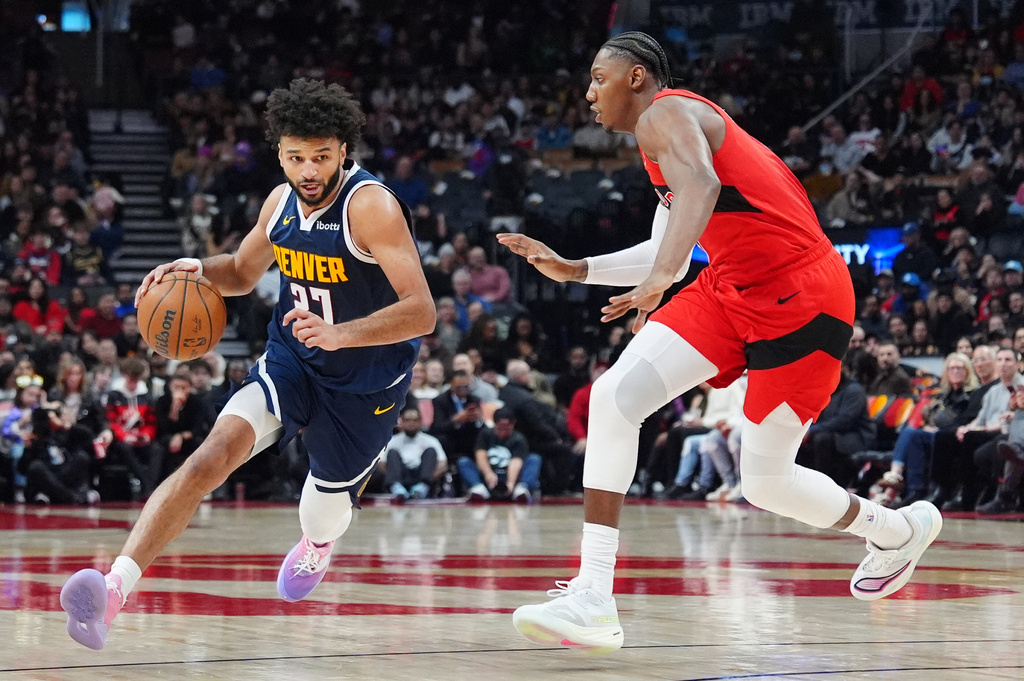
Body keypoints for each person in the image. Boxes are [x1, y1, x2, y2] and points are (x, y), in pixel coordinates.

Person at [498, 33, 942, 653]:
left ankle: (893, 530)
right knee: (614, 399)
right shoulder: (662, 145)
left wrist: (657, 280)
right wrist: (576, 269)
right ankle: (594, 594)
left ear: (636, 77)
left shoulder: (667, 112)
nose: (589, 93)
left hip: (803, 298)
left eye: (599, 78)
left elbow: (701, 194)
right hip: (730, 288)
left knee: (765, 482)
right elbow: (666, 252)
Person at [60, 78, 435, 650]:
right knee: (210, 456)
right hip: (292, 360)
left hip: (364, 383)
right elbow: (239, 271)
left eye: (320, 157)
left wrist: (340, 335)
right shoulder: (280, 203)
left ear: (343, 150)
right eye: (294, 157)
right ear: (279, 152)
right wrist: (194, 268)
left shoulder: (371, 207)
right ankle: (113, 589)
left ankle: (317, 545)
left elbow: (422, 311)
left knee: (321, 514)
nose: (307, 170)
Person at [383, 407, 446, 502]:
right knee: (392, 452)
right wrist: (391, 476)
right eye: (407, 420)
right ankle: (397, 489)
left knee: (430, 451)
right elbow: (382, 464)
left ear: (420, 422)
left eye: (415, 420)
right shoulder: (392, 441)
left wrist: (430, 478)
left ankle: (422, 489)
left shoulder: (431, 440)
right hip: (400, 475)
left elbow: (443, 465)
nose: (411, 423)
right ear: (401, 422)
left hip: (422, 475)